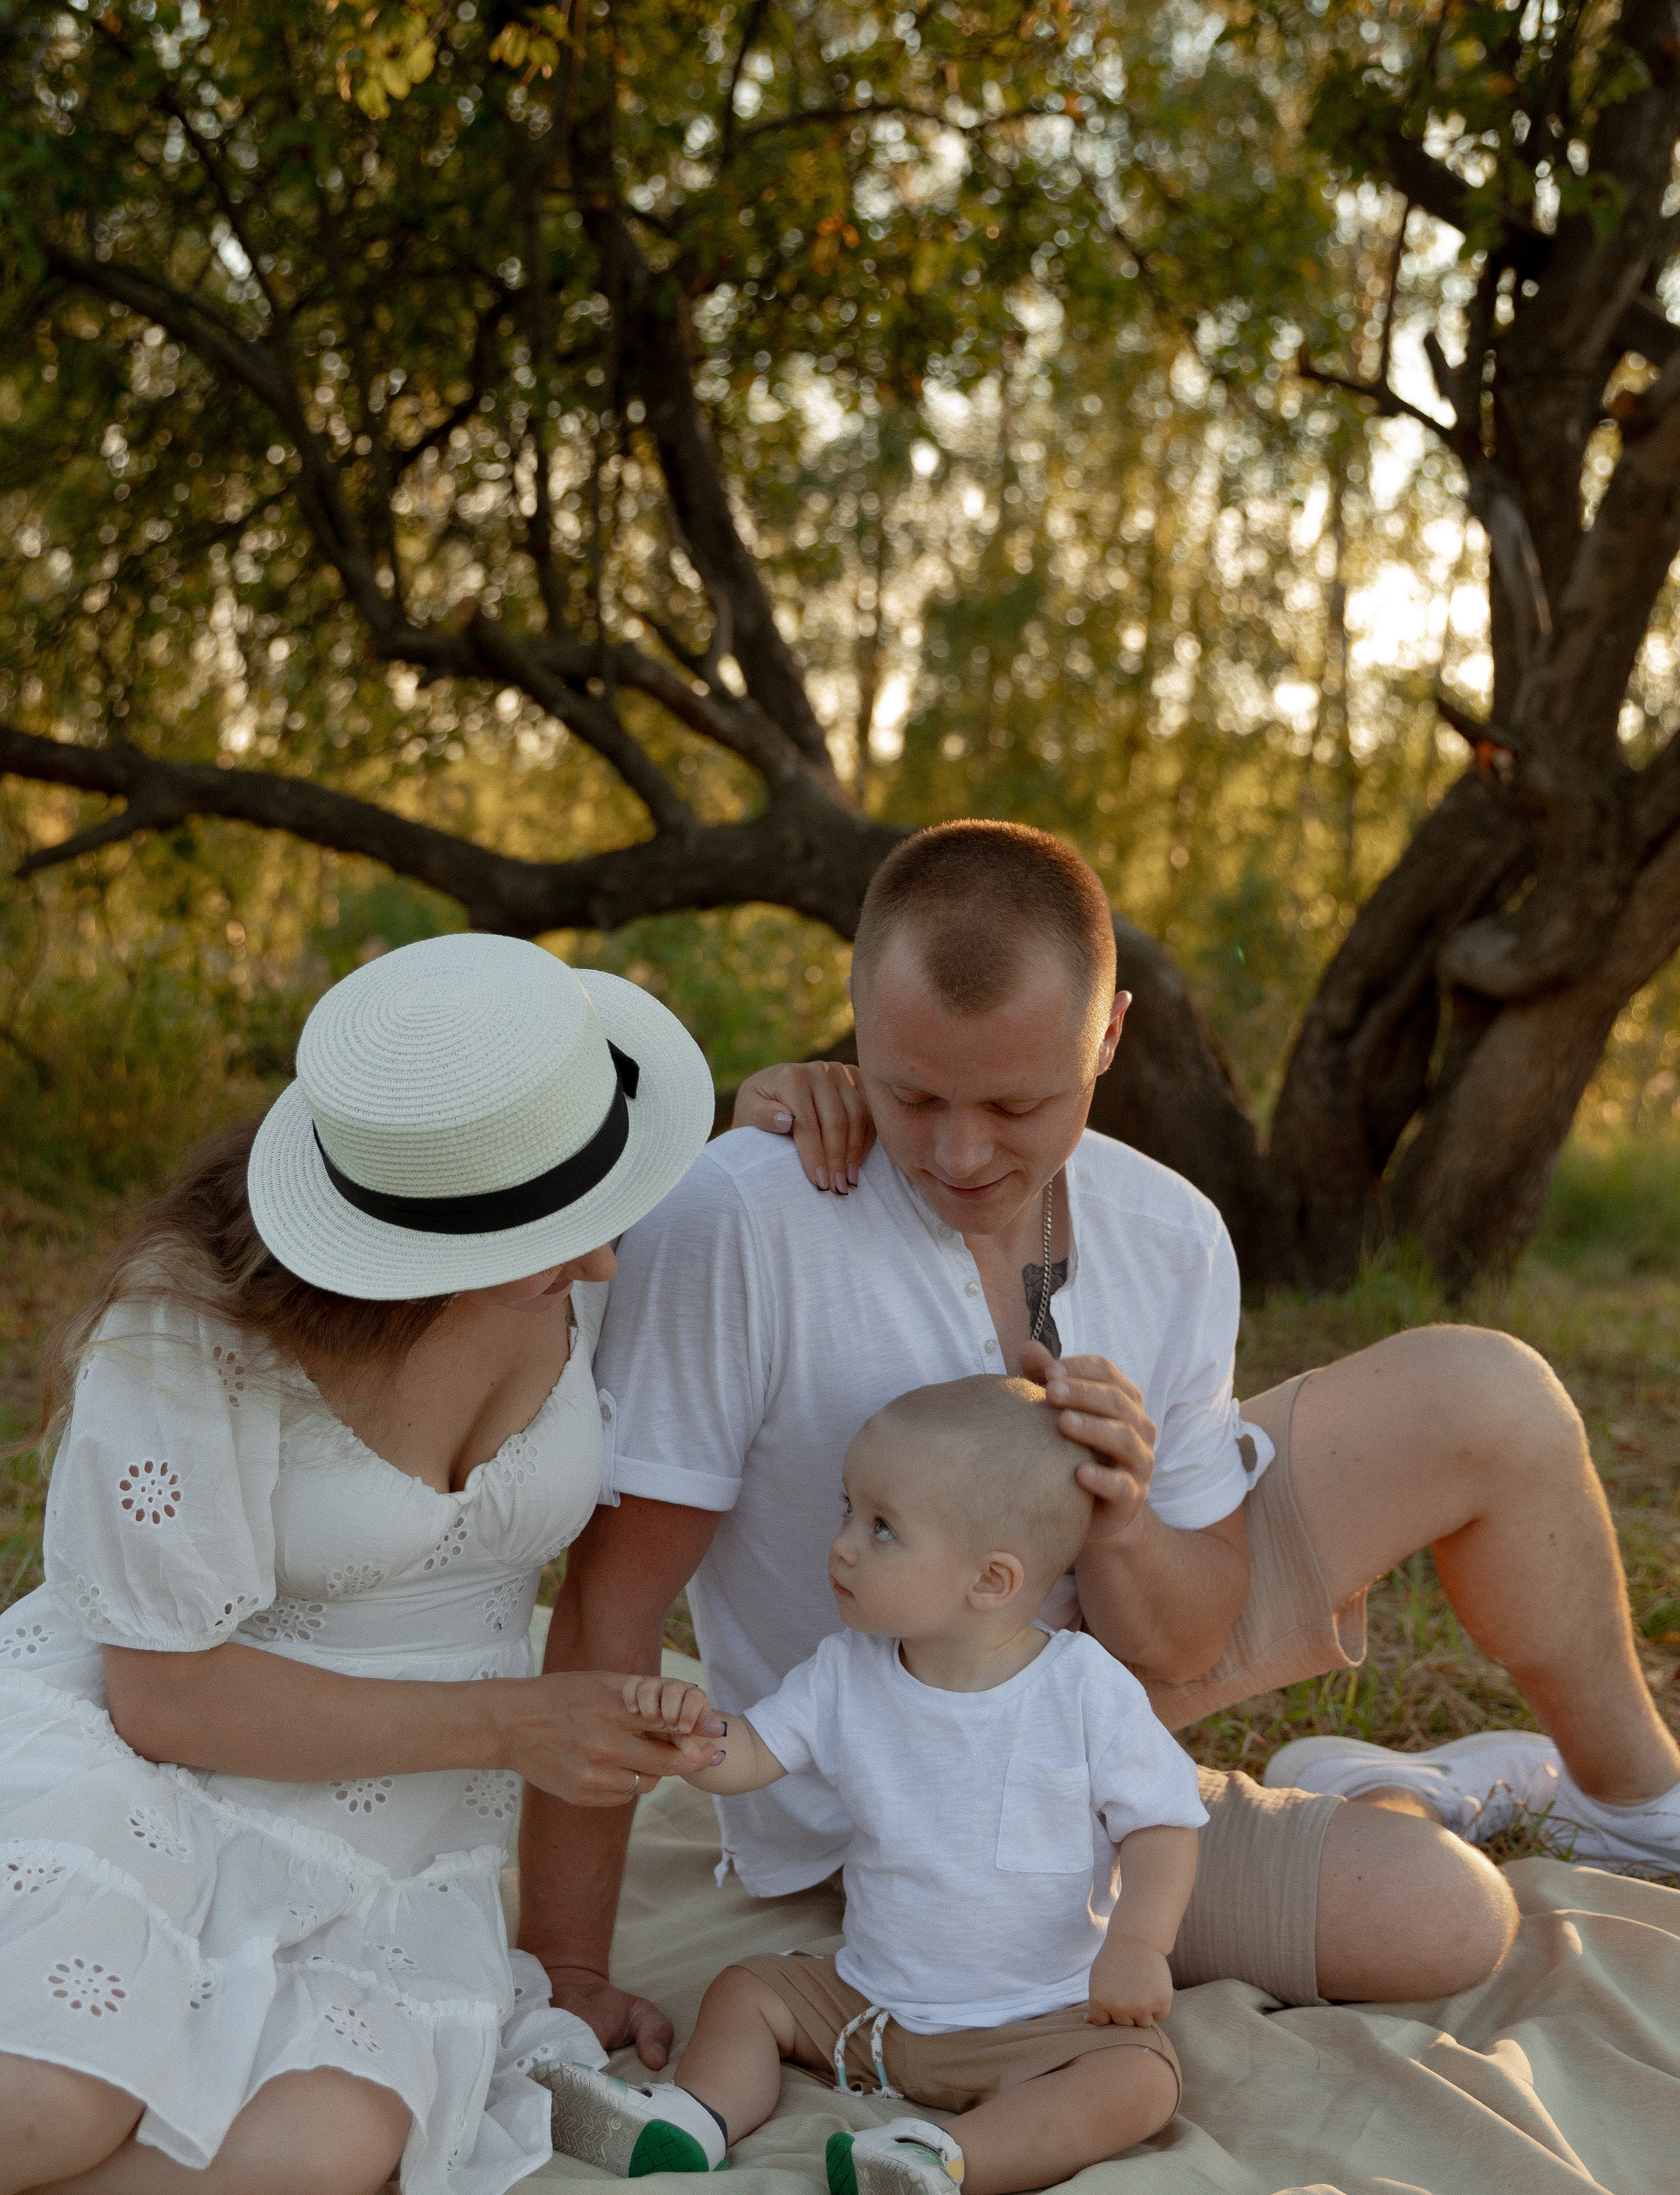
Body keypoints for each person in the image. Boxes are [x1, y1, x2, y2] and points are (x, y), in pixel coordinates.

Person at [520, 820, 1680, 2075]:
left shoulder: (1170, 1231)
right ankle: (1398, 1796)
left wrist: (1122, 1515)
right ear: (853, 1024)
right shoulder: (742, 1217)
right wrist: (569, 1974)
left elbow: (1176, 1643)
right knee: (1445, 1918)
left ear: (1111, 1036)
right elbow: (609, 1607)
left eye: (1019, 1104)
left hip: (1100, 1685)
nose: (962, 1155)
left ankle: (1636, 1806)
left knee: (1486, 1394)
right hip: (922, 1786)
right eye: (912, 1093)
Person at [0, 934, 728, 2195]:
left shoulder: (584, 1250)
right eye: (547, 1244)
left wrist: (833, 1090)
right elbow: (164, 1700)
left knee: (310, 2166)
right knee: (54, 2096)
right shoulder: (190, 1326)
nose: (598, 1272)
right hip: (159, 1756)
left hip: (402, 1842)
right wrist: (517, 1726)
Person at [535, 1376, 1205, 2195]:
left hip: (1039, 2021)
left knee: (1139, 2083)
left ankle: (938, 2157)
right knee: (746, 1991)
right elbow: (752, 1755)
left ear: (991, 1580)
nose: (842, 1548)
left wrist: (1137, 1945)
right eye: (847, 1513)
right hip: (869, 2007)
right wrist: (691, 1735)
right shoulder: (846, 1673)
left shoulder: (1082, 1689)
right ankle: (694, 2121)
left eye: (880, 1528)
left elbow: (1161, 1824)